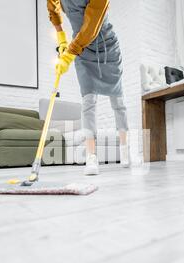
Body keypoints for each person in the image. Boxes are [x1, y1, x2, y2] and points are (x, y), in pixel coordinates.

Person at [47, 0, 130, 176]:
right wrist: (61, 37)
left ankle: (125, 148)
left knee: (118, 102)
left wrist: (69, 54)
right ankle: (91, 156)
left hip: (107, 47)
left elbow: (91, 26)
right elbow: (52, 7)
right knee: (88, 101)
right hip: (82, 51)